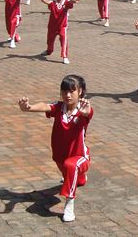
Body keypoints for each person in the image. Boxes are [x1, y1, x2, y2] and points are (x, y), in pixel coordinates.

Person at [17, 75, 93, 222]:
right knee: (72, 174)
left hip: (80, 157)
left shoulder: (83, 110)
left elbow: (88, 113)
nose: (68, 95)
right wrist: (28, 108)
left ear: (80, 91)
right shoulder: (60, 108)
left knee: (71, 166)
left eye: (72, 91)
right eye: (64, 91)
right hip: (60, 156)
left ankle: (69, 206)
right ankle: (81, 178)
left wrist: (86, 112)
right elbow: (45, 106)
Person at [40, 0, 80, 64]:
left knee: (63, 39)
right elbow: (48, 2)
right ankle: (49, 51)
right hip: (52, 26)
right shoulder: (53, 3)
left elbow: (70, 2)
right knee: (50, 41)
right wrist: (43, 0)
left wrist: (74, 1)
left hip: (62, 26)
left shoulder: (66, 3)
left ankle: (64, 56)